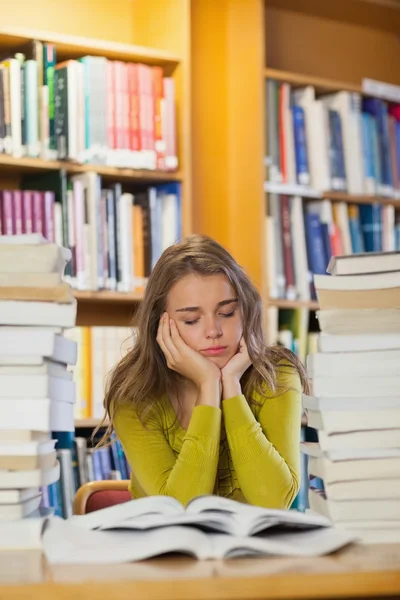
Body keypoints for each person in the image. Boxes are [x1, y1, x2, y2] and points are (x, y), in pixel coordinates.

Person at [97, 235, 309, 509]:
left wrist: (230, 386)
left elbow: (274, 501)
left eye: (227, 312)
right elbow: (179, 508)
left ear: (245, 311)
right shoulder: (135, 395)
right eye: (191, 320)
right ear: (159, 324)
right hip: (170, 549)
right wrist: (210, 386)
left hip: (255, 550)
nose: (213, 332)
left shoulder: (276, 374)